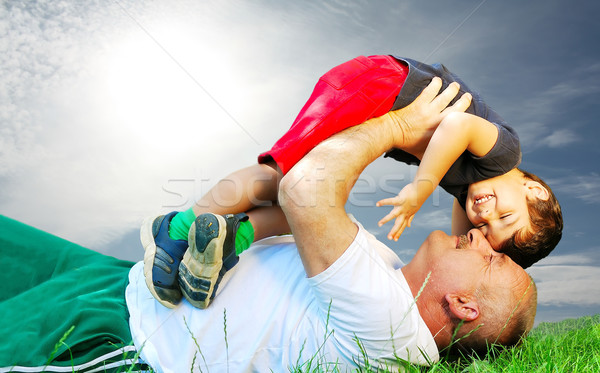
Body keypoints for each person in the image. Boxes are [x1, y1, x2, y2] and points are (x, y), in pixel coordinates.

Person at [0, 84, 537, 372]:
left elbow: (306, 190)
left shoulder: (391, 328)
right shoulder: (388, 276)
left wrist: (397, 124)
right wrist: (235, 230)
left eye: (493, 256)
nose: (480, 234)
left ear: (464, 306)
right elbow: (294, 211)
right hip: (123, 279)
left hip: (117, 337)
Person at [143, 55, 561, 310]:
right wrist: (420, 188)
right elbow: (455, 125)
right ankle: (177, 227)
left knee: (313, 208)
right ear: (534, 190)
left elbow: (458, 248)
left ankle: (232, 237)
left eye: (486, 230)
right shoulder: (506, 155)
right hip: (379, 85)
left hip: (377, 106)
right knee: (283, 175)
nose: (483, 217)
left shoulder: (470, 194)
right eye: (505, 214)